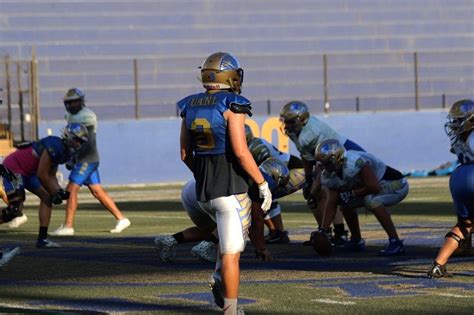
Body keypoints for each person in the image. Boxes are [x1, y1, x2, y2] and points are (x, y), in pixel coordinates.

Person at [177, 52, 272, 314]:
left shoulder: (189, 104)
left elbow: (185, 154)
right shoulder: (232, 104)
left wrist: (205, 173)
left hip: (203, 190)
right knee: (232, 252)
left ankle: (219, 277)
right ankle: (230, 309)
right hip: (230, 189)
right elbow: (241, 152)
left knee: (227, 241)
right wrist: (262, 183)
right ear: (228, 75)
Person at [155, 157, 297, 264]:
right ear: (276, 176)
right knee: (238, 220)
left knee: (208, 229)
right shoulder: (262, 180)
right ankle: (205, 246)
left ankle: (170, 241)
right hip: (212, 192)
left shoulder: (251, 167)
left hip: (193, 189)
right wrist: (261, 248)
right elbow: (257, 219)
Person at [279, 101, 362, 244]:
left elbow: (320, 163)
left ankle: (338, 233)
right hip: (329, 158)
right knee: (313, 193)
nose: (286, 125)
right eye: (285, 121)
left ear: (301, 120)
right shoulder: (297, 131)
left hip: (344, 153)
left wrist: (314, 182)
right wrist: (309, 178)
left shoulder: (310, 134)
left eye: (290, 121)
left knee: (327, 191)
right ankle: (326, 232)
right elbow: (305, 156)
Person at [50, 88, 130, 236]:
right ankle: (121, 218)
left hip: (86, 157)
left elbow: (84, 141)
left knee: (71, 189)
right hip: (85, 158)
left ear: (81, 101)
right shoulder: (69, 115)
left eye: (75, 101)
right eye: (70, 102)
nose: (72, 105)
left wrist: (75, 158)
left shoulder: (87, 116)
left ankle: (68, 226)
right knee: (97, 191)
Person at [311, 139, 408, 257]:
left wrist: (353, 193)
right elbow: (332, 202)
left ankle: (395, 242)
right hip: (374, 186)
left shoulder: (353, 162)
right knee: (344, 202)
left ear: (336, 158)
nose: (324, 168)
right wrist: (323, 229)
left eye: (326, 163)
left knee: (371, 200)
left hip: (395, 183)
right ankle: (356, 240)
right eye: (322, 163)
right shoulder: (328, 174)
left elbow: (374, 187)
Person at [1, 123, 89, 248]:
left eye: (81, 142)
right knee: (14, 209)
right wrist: (55, 192)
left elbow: (51, 175)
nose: (78, 144)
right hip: (14, 168)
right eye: (77, 140)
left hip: (29, 172)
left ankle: (42, 239)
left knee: (47, 197)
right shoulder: (55, 145)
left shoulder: (64, 152)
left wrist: (58, 191)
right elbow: (42, 174)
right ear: (68, 136)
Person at [428, 99, 474, 278]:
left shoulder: (459, 139)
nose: (454, 124)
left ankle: (438, 264)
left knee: (465, 225)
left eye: (457, 119)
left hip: (458, 178)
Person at [245, 125, 305, 244]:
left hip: (294, 170)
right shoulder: (252, 144)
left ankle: (279, 233)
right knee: (260, 195)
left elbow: (268, 171)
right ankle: (275, 232)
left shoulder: (256, 147)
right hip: (281, 170)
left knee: (264, 195)